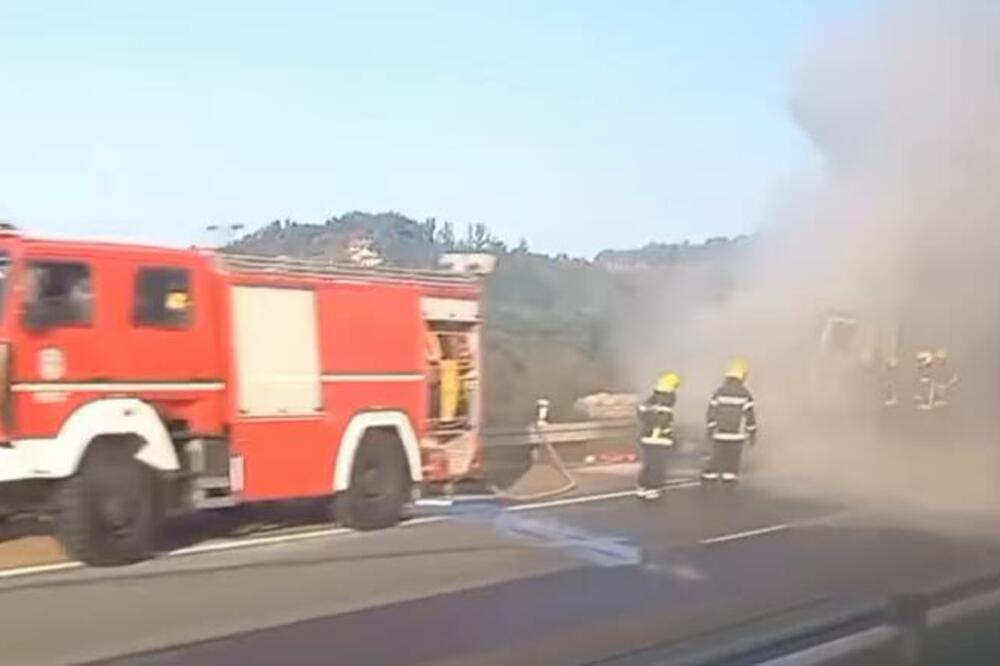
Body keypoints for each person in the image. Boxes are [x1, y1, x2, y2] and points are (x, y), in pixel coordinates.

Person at [702, 359, 757, 483]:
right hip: (737, 435)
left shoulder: (719, 392)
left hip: (719, 433)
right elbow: (750, 417)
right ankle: (729, 477)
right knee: (732, 460)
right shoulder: (745, 394)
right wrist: (752, 434)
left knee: (716, 456)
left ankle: (711, 475)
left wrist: (710, 429)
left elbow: (711, 412)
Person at [636, 372, 680, 500]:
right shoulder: (667, 401)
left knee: (649, 463)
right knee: (658, 465)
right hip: (659, 439)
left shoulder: (650, 400)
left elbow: (641, 413)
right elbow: (663, 421)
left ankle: (642, 486)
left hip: (647, 437)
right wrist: (670, 436)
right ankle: (652, 489)